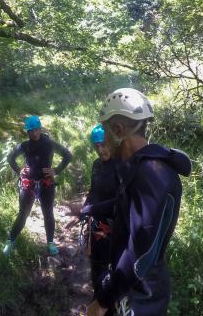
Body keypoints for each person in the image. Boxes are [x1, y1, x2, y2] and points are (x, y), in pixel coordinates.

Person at [87, 88, 191, 316]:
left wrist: (103, 300)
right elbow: (129, 215)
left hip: (140, 297)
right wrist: (92, 209)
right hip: (131, 289)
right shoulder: (141, 168)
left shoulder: (151, 173)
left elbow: (141, 253)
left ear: (118, 130)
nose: (103, 139)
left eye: (105, 130)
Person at [3, 115, 72, 256]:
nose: (34, 133)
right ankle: (11, 241)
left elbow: (67, 155)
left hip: (46, 183)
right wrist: (19, 170)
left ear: (40, 129)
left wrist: (55, 171)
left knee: (48, 213)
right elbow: (11, 158)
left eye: (36, 130)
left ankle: (50, 242)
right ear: (27, 132)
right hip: (28, 183)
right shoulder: (25, 145)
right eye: (31, 131)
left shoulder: (49, 143)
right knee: (23, 214)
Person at [80, 124, 121, 298]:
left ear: (111, 144)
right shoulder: (96, 165)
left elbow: (122, 200)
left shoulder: (121, 166)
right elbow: (94, 190)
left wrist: (92, 208)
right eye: (96, 146)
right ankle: (97, 298)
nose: (100, 150)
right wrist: (85, 209)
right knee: (95, 264)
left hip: (115, 226)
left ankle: (106, 302)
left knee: (111, 265)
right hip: (97, 224)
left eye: (103, 145)